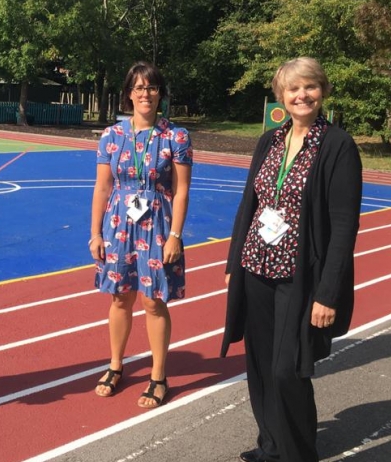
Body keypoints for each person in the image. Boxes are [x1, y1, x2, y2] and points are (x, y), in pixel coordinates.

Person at [220, 57, 362, 462]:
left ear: (323, 91)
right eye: (293, 88)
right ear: (280, 96)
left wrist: (327, 293)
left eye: (310, 87)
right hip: (256, 268)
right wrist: (233, 264)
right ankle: (271, 445)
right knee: (261, 365)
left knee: (288, 368)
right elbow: (249, 205)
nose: (302, 95)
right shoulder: (270, 141)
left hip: (300, 275)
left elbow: (343, 225)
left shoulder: (337, 146)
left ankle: (298, 453)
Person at [89, 61, 193, 408]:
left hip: (159, 224)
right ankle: (115, 366)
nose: (145, 93)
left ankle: (158, 376)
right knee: (119, 297)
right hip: (118, 224)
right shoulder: (111, 136)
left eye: (151, 87)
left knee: (153, 301)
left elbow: (181, 190)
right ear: (129, 94)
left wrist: (176, 234)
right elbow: (102, 188)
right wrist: (95, 234)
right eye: (139, 87)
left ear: (160, 93)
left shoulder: (176, 136)